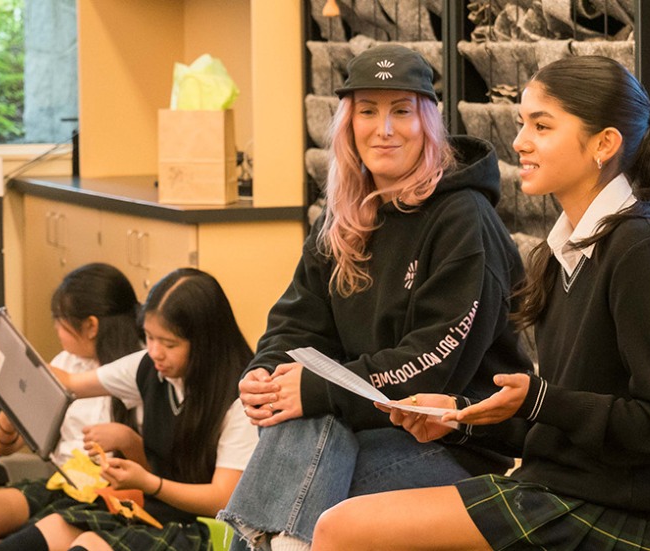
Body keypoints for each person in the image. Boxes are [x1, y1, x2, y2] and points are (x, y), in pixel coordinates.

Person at [311, 55, 650, 551]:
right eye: (522, 124)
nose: (519, 141)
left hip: (609, 515)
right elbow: (547, 430)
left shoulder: (639, 249)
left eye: (542, 126)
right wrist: (460, 415)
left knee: (337, 529)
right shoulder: (564, 251)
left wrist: (539, 398)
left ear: (604, 144)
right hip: (550, 491)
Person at [218, 44, 532, 551]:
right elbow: (297, 324)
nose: (384, 129)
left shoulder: (463, 220)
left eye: (401, 111)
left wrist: (316, 391)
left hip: (454, 448)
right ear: (348, 124)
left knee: (292, 487)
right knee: (294, 435)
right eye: (368, 111)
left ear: (427, 122)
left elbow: (431, 366)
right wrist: (267, 372)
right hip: (355, 427)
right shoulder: (343, 216)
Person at [0, 268, 257, 551]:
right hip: (140, 504)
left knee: (86, 542)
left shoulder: (239, 398)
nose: (155, 351)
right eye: (149, 337)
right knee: (52, 526)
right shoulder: (149, 365)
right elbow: (68, 382)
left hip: (195, 526)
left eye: (169, 343)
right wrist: (2, 357)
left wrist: (149, 481)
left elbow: (222, 498)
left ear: (205, 343)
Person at [0, 263, 144, 547]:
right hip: (63, 484)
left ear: (90, 326)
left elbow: (155, 471)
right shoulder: (66, 362)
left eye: (59, 321)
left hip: (108, 498)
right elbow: (0, 445)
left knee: (35, 534)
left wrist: (127, 440)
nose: (55, 330)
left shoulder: (137, 371)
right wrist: (6, 377)